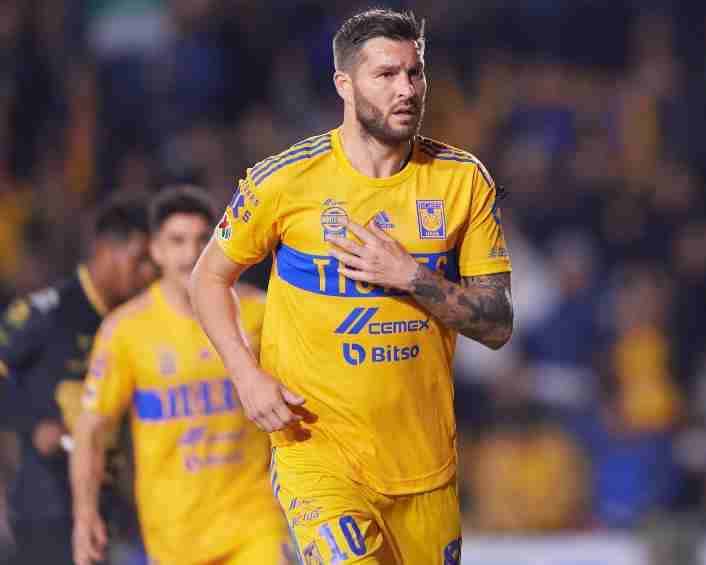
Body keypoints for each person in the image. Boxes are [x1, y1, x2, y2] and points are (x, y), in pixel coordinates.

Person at [190, 8, 513, 565]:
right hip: (318, 456)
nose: (406, 89)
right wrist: (246, 375)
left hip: (424, 466)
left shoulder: (462, 181)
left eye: (415, 73)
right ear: (344, 83)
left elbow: (498, 323)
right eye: (386, 74)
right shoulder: (284, 180)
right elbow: (209, 277)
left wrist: (411, 276)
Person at [70, 186, 289, 565]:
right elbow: (92, 428)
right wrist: (85, 514)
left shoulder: (259, 312)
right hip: (173, 538)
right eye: (177, 241)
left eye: (202, 239)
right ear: (156, 251)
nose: (191, 254)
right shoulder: (126, 330)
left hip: (255, 523)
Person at [0, 197, 153, 564]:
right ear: (105, 251)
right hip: (48, 506)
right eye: (140, 259)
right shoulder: (49, 314)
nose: (148, 273)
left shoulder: (137, 323)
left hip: (113, 501)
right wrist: (34, 425)